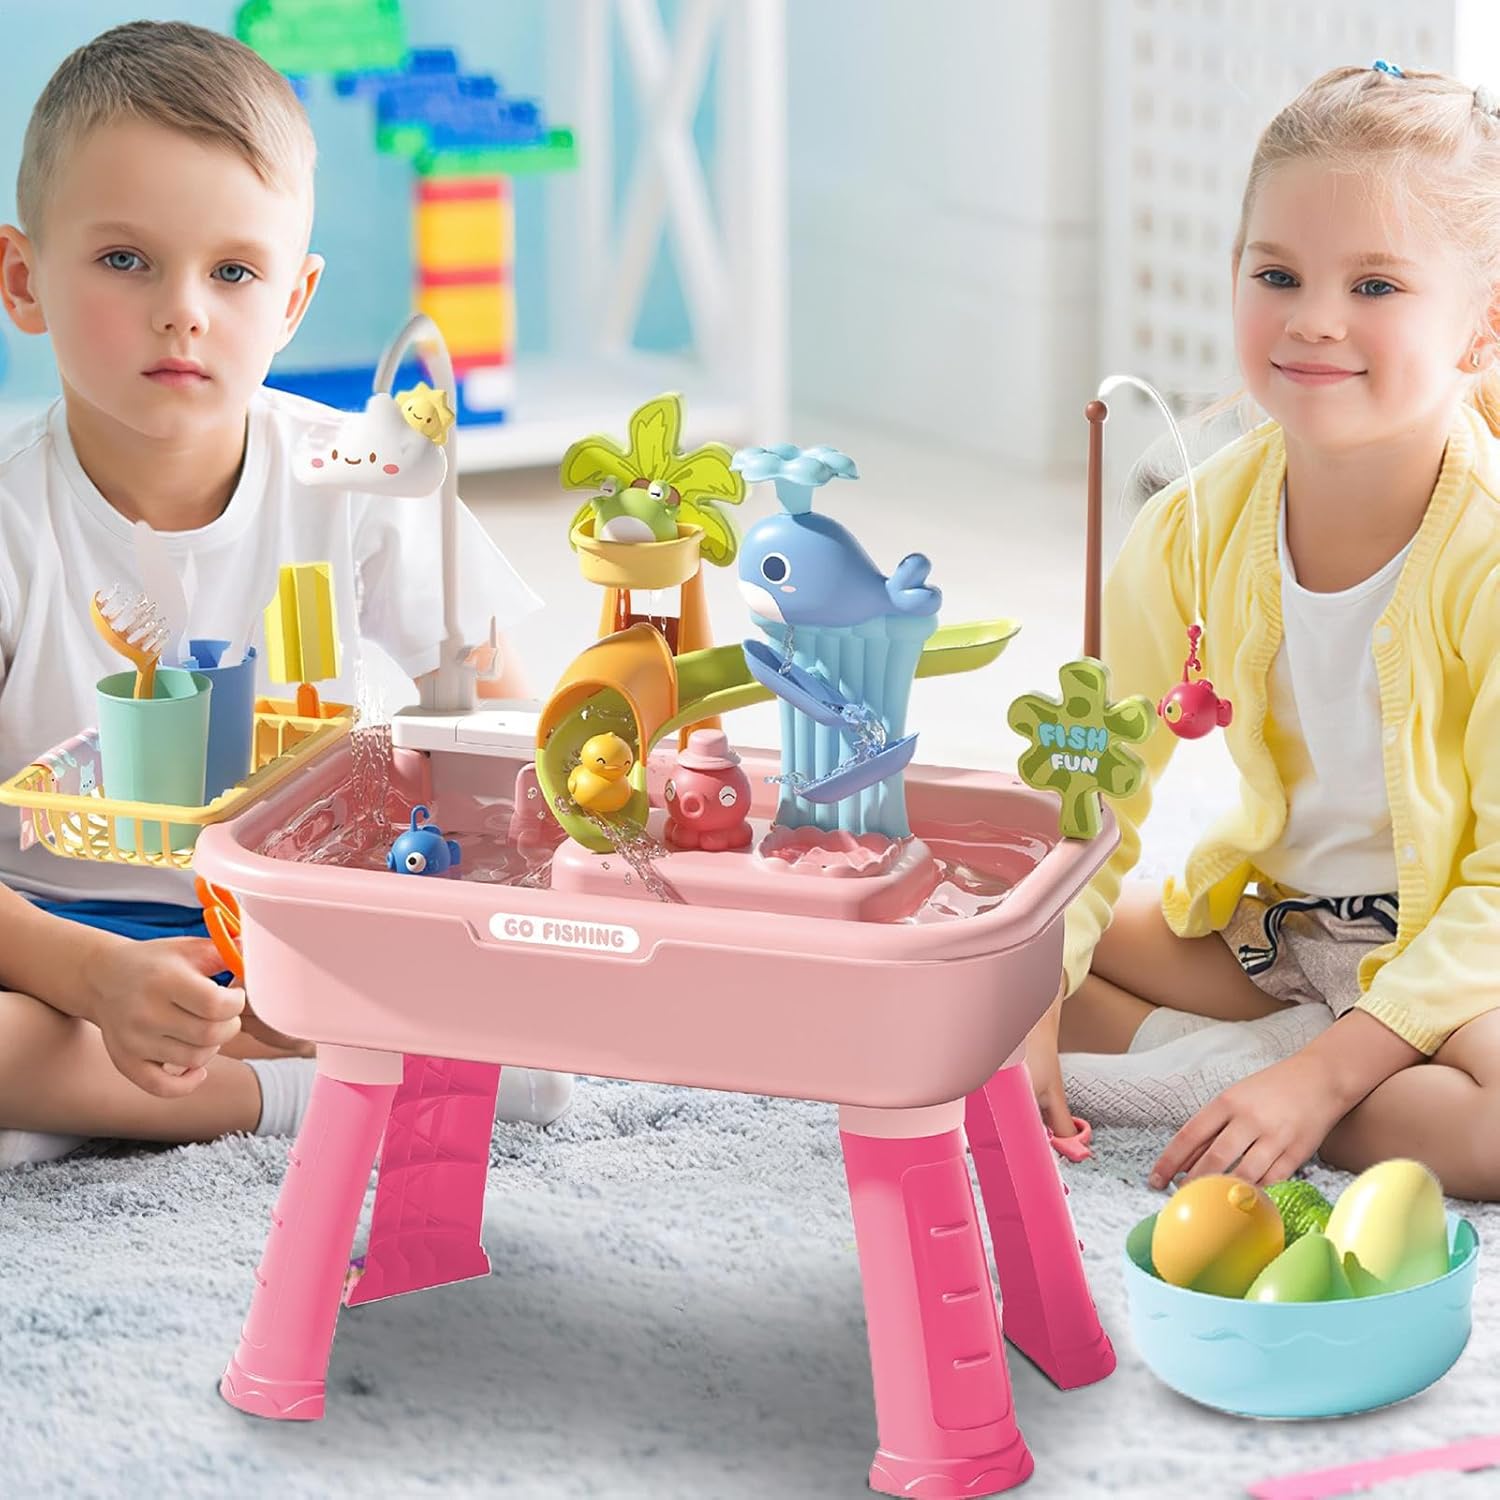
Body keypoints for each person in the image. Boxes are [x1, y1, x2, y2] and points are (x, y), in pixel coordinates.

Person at [0, 22, 572, 1169]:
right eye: (125, 260)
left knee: (533, 1013)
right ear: (24, 281)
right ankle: (282, 1096)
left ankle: (119, 1097)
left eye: (233, 272)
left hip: (307, 926)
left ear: (294, 300)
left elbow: (514, 742)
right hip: (48, 941)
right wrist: (96, 975)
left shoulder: (361, 477)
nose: (184, 310)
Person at [1027, 62, 1500, 1202]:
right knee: (995, 938)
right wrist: (1029, 1004)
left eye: (1376, 285)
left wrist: (1322, 1078)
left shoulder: (1487, 556)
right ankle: (1244, 1059)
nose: (1314, 319)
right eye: (1277, 274)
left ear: (1482, 330)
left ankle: (1275, 1078)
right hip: (1278, 932)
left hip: (1459, 955)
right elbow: (1094, 788)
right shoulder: (1191, 526)